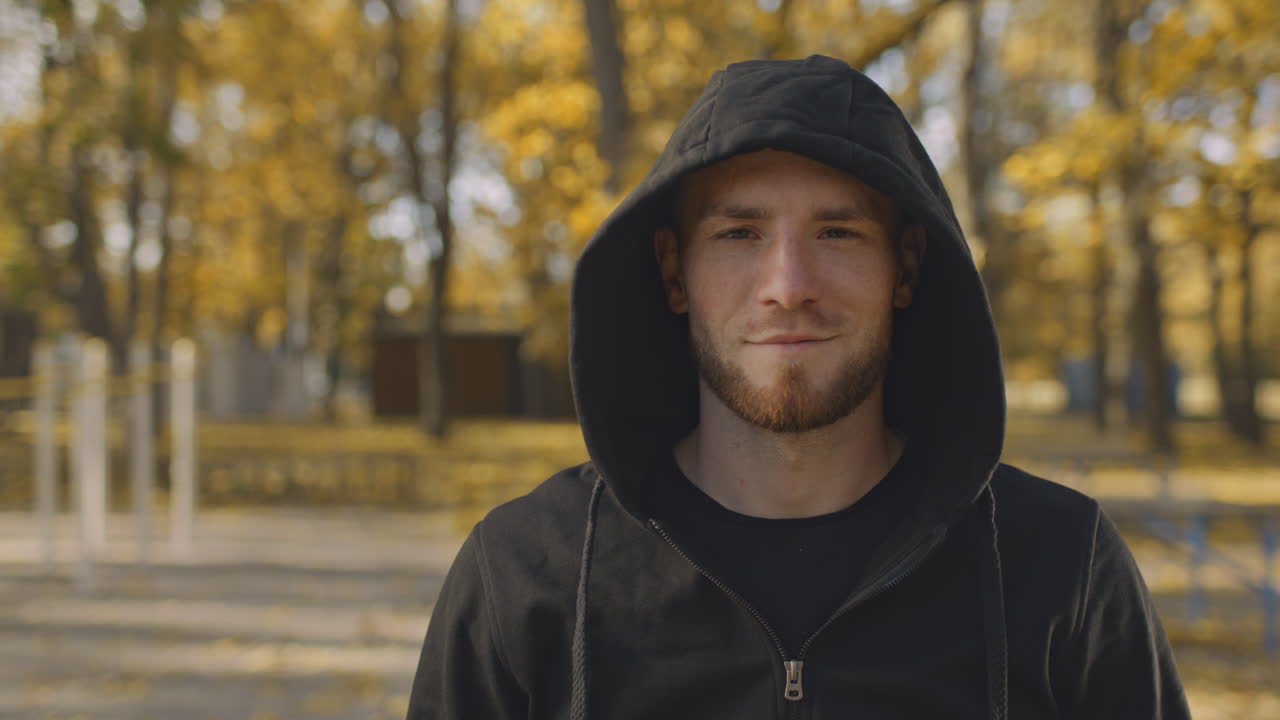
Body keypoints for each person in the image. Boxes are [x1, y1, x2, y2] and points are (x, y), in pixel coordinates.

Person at [406, 55, 1190, 719]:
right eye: (739, 234)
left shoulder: (1060, 570)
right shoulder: (522, 578)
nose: (788, 285)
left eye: (837, 232)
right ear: (675, 273)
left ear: (906, 268)